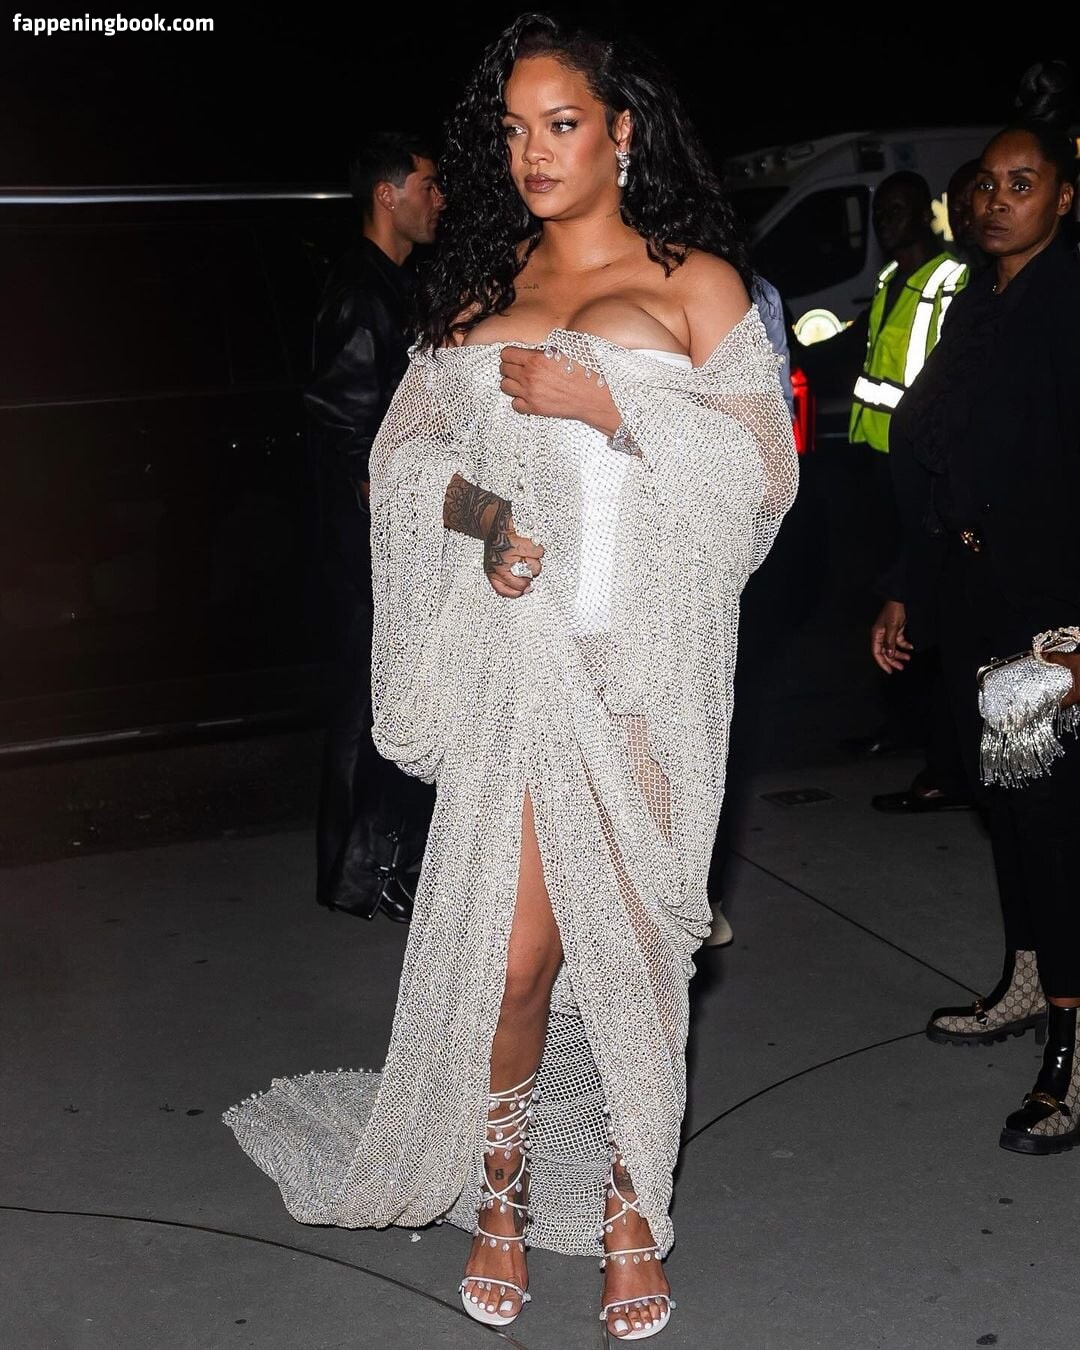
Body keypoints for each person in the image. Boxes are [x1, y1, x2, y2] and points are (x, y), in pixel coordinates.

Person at [225, 12, 797, 1341]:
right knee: (513, 962)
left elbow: (764, 478)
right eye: (513, 130)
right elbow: (404, 464)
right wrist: (485, 522)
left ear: (621, 132)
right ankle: (499, 1193)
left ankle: (630, 1213)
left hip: (648, 679)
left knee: (637, 960)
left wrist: (613, 407)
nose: (534, 153)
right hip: (521, 675)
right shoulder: (476, 291)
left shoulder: (700, 286)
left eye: (563, 124)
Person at [874, 59, 1080, 1154]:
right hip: (975, 599)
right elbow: (937, 457)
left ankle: (1074, 1053)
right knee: (1010, 807)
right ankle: (1030, 979)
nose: (996, 200)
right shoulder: (976, 302)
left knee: (1055, 824)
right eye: (987, 185)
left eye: (1022, 184)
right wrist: (908, 585)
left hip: (1050, 612)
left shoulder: (1067, 306)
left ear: (1065, 197)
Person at [305, 132, 443, 922]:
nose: (438, 200)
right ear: (387, 195)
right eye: (427, 185)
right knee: (368, 706)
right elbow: (352, 427)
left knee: (385, 701)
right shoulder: (363, 292)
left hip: (390, 537)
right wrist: (398, 533)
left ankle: (376, 870)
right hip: (372, 546)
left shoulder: (393, 284)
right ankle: (362, 878)